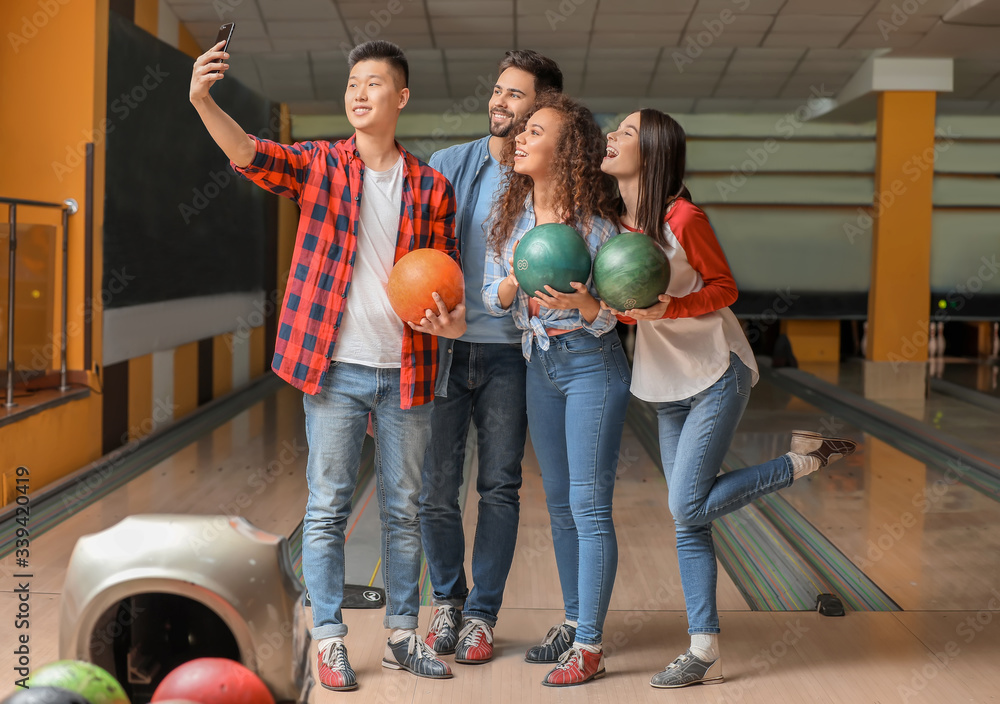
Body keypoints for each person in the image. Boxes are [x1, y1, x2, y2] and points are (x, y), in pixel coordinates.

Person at [189, 39, 467, 691]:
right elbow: (248, 153)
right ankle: (332, 639)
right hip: (334, 368)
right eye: (352, 84)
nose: (359, 93)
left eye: (373, 83)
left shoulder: (430, 187)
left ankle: (401, 636)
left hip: (410, 369)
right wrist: (203, 98)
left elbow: (447, 277)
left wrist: (453, 321)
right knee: (328, 507)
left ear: (400, 97)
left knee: (404, 507)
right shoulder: (319, 166)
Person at [600, 109, 859, 689]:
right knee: (689, 520)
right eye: (613, 130)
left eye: (626, 133)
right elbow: (627, 303)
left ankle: (802, 462)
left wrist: (670, 308)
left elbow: (724, 288)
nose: (611, 137)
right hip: (665, 382)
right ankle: (703, 649)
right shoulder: (616, 226)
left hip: (716, 369)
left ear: (655, 152)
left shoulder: (683, 217)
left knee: (686, 508)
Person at [420, 50, 563, 666]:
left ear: (545, 108)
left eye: (515, 95)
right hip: (447, 349)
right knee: (435, 490)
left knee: (500, 487)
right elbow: (418, 253)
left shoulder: (550, 173)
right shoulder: (450, 165)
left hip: (513, 352)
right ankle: (448, 602)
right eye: (497, 91)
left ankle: (482, 616)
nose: (499, 103)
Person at [483, 92, 630, 687]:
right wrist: (515, 281)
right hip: (539, 364)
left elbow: (616, 315)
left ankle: (590, 647)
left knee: (590, 507)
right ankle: (574, 623)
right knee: (563, 509)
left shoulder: (595, 226)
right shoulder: (513, 220)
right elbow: (493, 295)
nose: (520, 138)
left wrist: (587, 302)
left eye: (535, 131)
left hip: (592, 363)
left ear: (564, 149)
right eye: (521, 130)